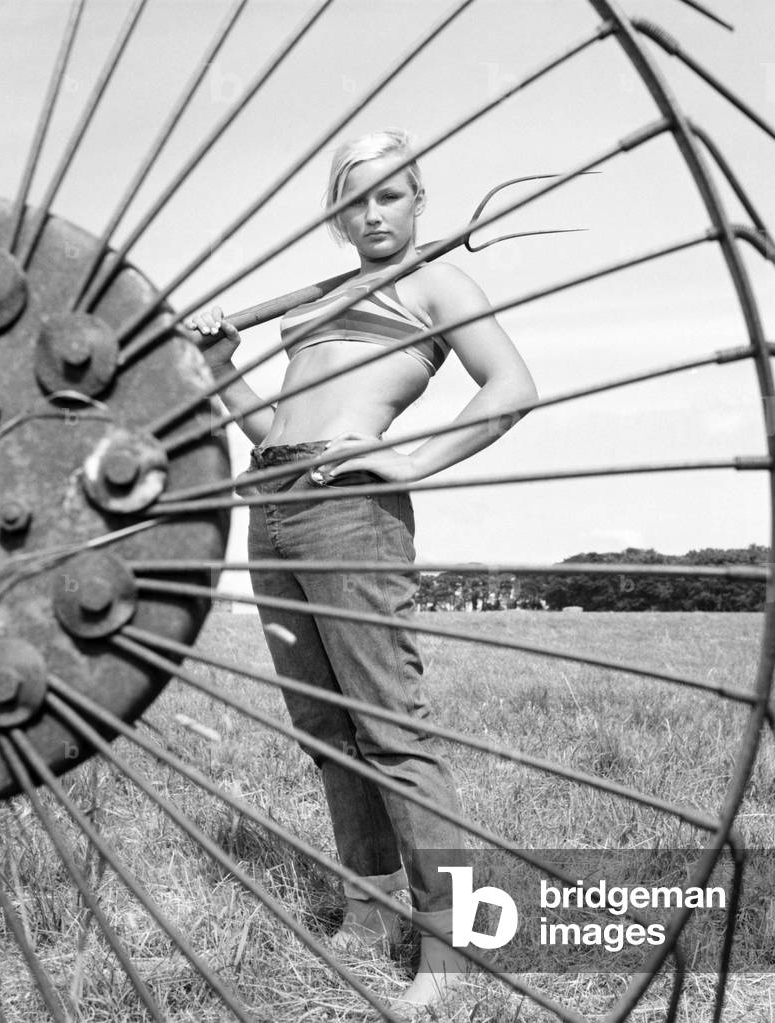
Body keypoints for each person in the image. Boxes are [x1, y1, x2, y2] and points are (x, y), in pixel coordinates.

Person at [186, 128, 537, 1009]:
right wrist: (223, 369)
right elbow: (267, 426)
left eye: (389, 194)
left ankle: (449, 952)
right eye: (356, 200)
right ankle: (371, 900)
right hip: (270, 492)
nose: (373, 212)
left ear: (420, 198)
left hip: (348, 504)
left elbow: (511, 387)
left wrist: (408, 457)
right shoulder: (324, 298)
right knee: (323, 722)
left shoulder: (436, 281)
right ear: (338, 216)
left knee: (390, 724)